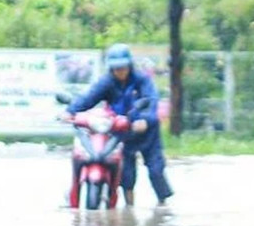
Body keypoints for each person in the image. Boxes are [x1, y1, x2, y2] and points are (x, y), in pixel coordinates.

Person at [64, 43, 173, 206]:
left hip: (147, 132)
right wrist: (71, 111)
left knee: (156, 169)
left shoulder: (142, 80)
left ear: (129, 65)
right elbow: (89, 98)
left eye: (123, 67)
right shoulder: (107, 82)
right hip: (122, 132)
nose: (120, 71)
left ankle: (163, 206)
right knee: (126, 175)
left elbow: (151, 101)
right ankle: (129, 207)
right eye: (116, 68)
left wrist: (143, 119)